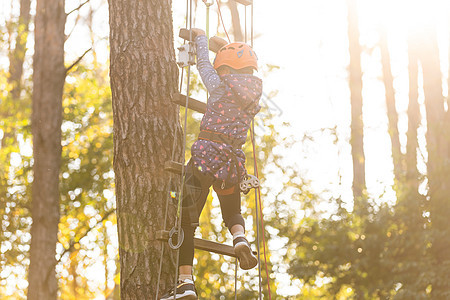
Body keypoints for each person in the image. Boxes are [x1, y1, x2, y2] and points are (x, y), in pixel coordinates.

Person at [161, 28, 262, 300]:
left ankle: (185, 284)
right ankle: (239, 237)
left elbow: (204, 65)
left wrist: (201, 39)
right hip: (231, 164)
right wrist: (224, 48)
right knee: (231, 211)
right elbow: (232, 67)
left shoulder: (219, 85)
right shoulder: (253, 97)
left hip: (206, 158)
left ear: (225, 70)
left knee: (186, 222)